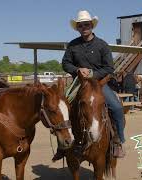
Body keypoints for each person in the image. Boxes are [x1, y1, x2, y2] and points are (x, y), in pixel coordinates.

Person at [53, 10, 126, 161]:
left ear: (92, 25)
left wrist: (92, 74)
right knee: (60, 108)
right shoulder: (73, 45)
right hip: (77, 84)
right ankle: (62, 145)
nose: (84, 27)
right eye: (81, 25)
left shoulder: (102, 45)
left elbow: (109, 68)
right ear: (77, 28)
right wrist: (77, 70)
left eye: (86, 24)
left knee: (117, 108)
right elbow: (65, 63)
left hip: (98, 84)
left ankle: (118, 140)